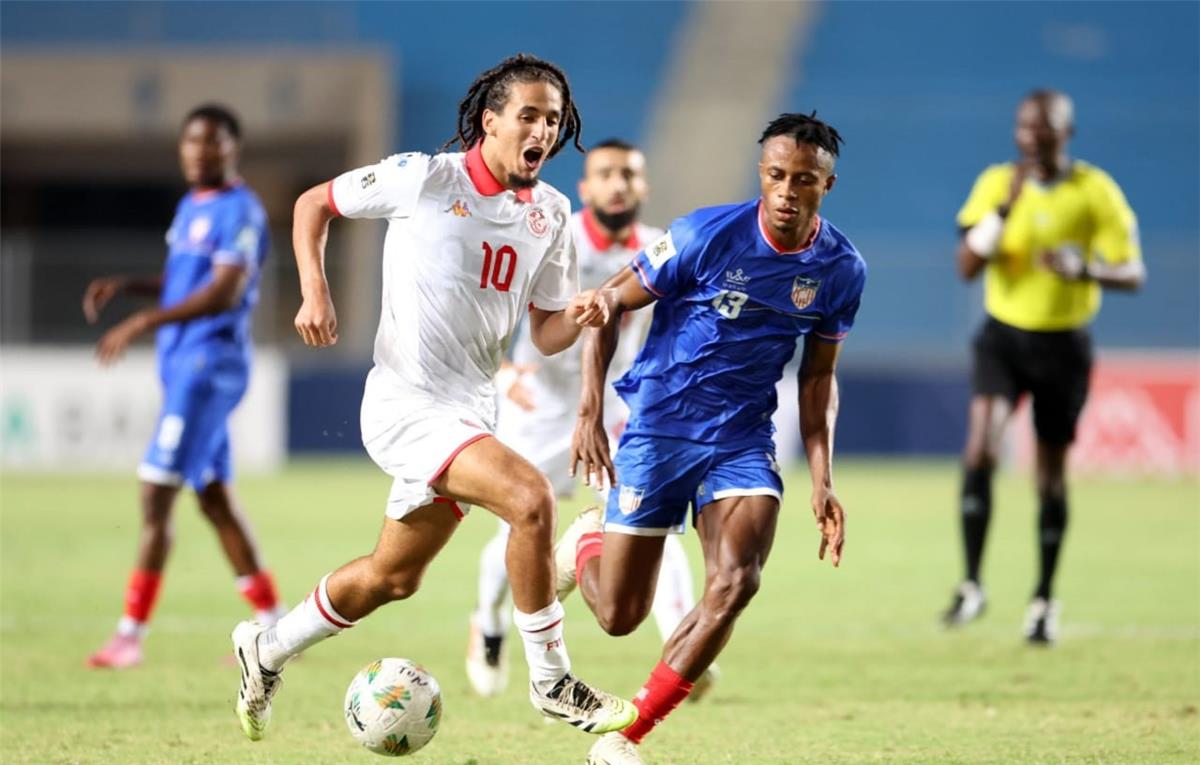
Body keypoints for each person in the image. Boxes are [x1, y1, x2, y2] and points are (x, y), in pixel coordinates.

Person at [229, 54, 636, 743]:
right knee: (531, 499)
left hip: (472, 411)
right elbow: (311, 205)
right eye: (530, 115)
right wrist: (315, 292)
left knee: (392, 578)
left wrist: (584, 311)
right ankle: (551, 679)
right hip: (406, 404)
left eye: (554, 119)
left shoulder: (551, 213)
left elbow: (546, 332)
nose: (544, 130)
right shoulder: (423, 178)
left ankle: (266, 650)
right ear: (491, 121)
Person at [560, 112, 866, 765]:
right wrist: (589, 411)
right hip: (659, 428)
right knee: (618, 616)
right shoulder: (704, 234)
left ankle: (626, 734)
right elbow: (609, 302)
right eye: (776, 175)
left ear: (828, 185)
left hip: (742, 438)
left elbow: (818, 378)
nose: (787, 191)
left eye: (803, 180)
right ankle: (584, 542)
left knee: (736, 582)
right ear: (762, 173)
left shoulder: (841, 269)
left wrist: (824, 480)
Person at [465, 139, 718, 701]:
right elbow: (491, 298)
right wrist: (501, 372)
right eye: (605, 173)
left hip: (620, 407)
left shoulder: (658, 247)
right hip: (541, 404)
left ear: (643, 186)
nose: (618, 184)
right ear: (585, 188)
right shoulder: (555, 235)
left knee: (649, 517)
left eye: (628, 174)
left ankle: (679, 642)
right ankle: (488, 623)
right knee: (519, 528)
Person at [81, 104, 281, 670]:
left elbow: (224, 290)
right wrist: (130, 286)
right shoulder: (193, 204)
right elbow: (185, 280)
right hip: (182, 365)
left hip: (207, 366)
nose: (199, 151)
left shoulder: (241, 210)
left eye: (212, 141)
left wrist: (145, 320)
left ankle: (129, 635)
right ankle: (274, 624)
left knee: (155, 492)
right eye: (191, 141)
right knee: (214, 498)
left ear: (233, 148)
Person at [941, 89, 1144, 644]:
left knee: (1050, 476)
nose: (1034, 137)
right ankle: (972, 584)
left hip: (1063, 346)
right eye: (1026, 127)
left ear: (1066, 132)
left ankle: (1043, 600)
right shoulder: (996, 184)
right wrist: (1002, 212)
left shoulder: (1094, 191)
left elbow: (1133, 271)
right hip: (1003, 337)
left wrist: (1086, 270)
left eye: (1046, 127)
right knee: (980, 449)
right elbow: (966, 266)